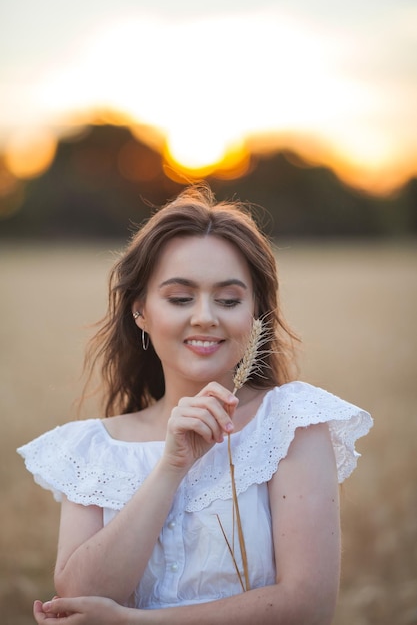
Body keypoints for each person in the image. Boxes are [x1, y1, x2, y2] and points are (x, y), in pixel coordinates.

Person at [18, 184, 372, 625]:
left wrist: (133, 623)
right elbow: (78, 595)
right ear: (140, 312)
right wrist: (170, 467)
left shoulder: (291, 424)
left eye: (228, 299)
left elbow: (308, 605)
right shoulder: (93, 448)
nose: (206, 316)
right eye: (180, 297)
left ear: (255, 315)